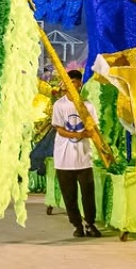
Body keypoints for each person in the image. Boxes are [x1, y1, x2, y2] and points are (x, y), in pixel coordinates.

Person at [52, 69, 101, 238]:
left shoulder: (88, 106)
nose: (70, 85)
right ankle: (77, 225)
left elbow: (93, 129)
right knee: (69, 196)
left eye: (73, 82)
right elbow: (59, 129)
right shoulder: (59, 105)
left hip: (84, 158)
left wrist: (89, 134)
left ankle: (90, 223)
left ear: (79, 84)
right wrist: (77, 135)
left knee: (88, 193)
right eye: (67, 82)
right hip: (64, 159)